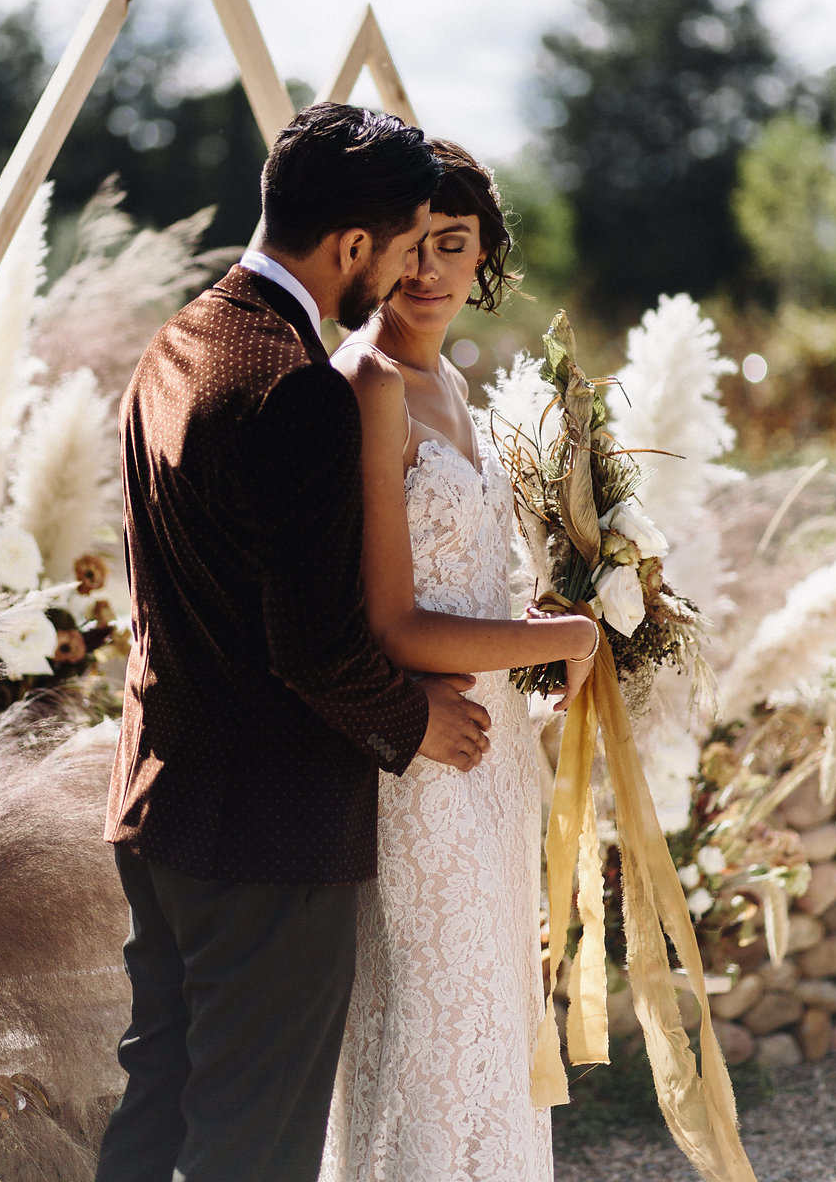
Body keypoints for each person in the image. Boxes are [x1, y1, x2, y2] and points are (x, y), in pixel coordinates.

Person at [95, 104, 501, 1182]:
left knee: (157, 1113)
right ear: (352, 246)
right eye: (407, 241)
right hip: (267, 839)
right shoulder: (298, 389)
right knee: (253, 1147)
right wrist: (419, 722)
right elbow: (315, 647)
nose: (415, 264)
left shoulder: (175, 342)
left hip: (158, 799)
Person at [320, 140, 597, 1181]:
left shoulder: (454, 390)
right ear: (375, 252)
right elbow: (392, 625)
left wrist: (529, 615)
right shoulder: (370, 384)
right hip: (427, 765)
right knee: (438, 1028)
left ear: (484, 258)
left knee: (494, 1018)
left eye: (454, 244)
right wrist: (563, 638)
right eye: (410, 245)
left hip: (496, 761)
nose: (428, 269)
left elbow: (459, 589)